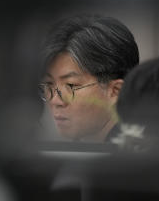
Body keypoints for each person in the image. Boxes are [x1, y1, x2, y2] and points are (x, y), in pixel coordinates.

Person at [40, 13, 139, 143]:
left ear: (116, 91)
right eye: (49, 84)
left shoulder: (137, 157)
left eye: (71, 86)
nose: (55, 101)